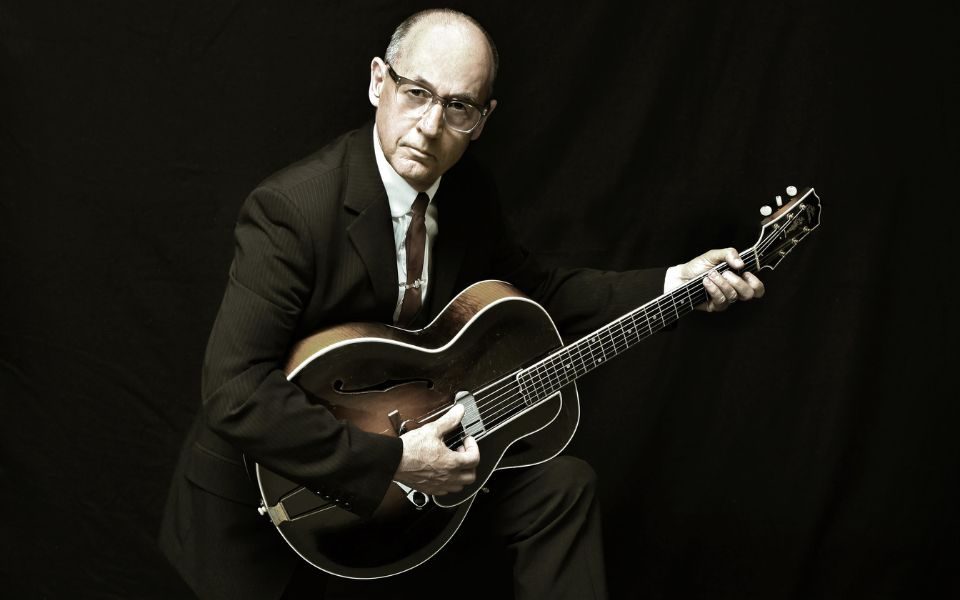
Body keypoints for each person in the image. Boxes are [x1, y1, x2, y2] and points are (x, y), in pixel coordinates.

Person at [158, 8, 765, 600]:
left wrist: (676, 283)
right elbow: (235, 389)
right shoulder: (292, 210)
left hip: (411, 476)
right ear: (378, 82)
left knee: (562, 486)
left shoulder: (468, 193)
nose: (429, 126)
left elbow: (539, 292)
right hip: (269, 501)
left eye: (457, 107)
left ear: (482, 119)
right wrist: (394, 459)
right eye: (416, 93)